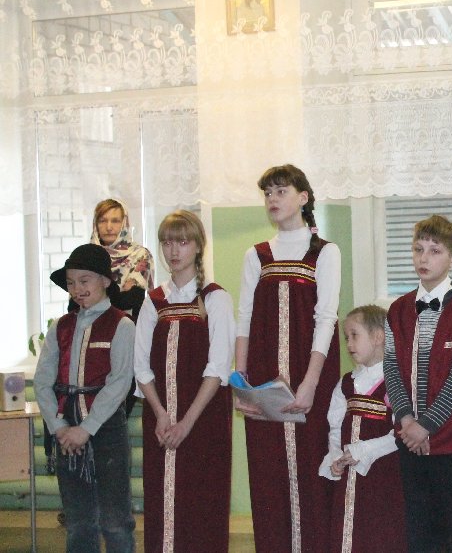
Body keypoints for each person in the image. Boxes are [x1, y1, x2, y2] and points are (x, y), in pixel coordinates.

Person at [234, 164, 342, 553]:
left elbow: (326, 318)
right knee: (269, 476)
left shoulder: (325, 252)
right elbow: (244, 318)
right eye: (268, 193)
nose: (273, 199)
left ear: (303, 197)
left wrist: (310, 383)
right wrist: (240, 383)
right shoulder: (256, 255)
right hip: (263, 379)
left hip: (309, 374)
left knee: (312, 470)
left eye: (281, 191)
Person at [383, 214, 452, 552]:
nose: (424, 258)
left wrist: (425, 426)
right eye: (418, 249)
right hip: (409, 438)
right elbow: (391, 368)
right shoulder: (397, 310)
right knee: (419, 531)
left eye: (435, 251)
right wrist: (407, 421)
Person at [134, 210, 235, 553]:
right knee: (160, 501)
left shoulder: (215, 298)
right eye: (166, 243)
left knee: (201, 504)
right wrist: (161, 414)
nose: (173, 251)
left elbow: (217, 368)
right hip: (161, 421)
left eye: (182, 242)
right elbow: (141, 366)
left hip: (203, 420)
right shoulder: (154, 301)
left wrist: (186, 422)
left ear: (197, 246)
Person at [34, 244, 136, 552]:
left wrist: (86, 428)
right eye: (71, 283)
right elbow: (43, 381)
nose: (77, 289)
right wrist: (59, 427)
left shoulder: (121, 325)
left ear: (105, 280)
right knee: (78, 520)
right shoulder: (61, 327)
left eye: (84, 280)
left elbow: (119, 383)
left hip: (107, 428)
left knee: (115, 520)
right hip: (66, 430)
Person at [319, 304, 406, 553]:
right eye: (346, 337)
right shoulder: (346, 383)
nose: (349, 343)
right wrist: (336, 455)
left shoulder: (395, 382)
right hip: (349, 478)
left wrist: (363, 450)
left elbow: (399, 433)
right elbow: (335, 425)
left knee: (378, 534)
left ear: (378, 337)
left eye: (355, 335)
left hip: (383, 477)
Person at [90, 198, 154, 321]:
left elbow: (130, 300)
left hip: (128, 327)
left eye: (115, 221)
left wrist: (94, 295)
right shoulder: (86, 255)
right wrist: (119, 293)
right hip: (89, 328)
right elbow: (74, 305)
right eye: (103, 221)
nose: (109, 227)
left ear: (124, 224)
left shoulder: (139, 254)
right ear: (95, 224)